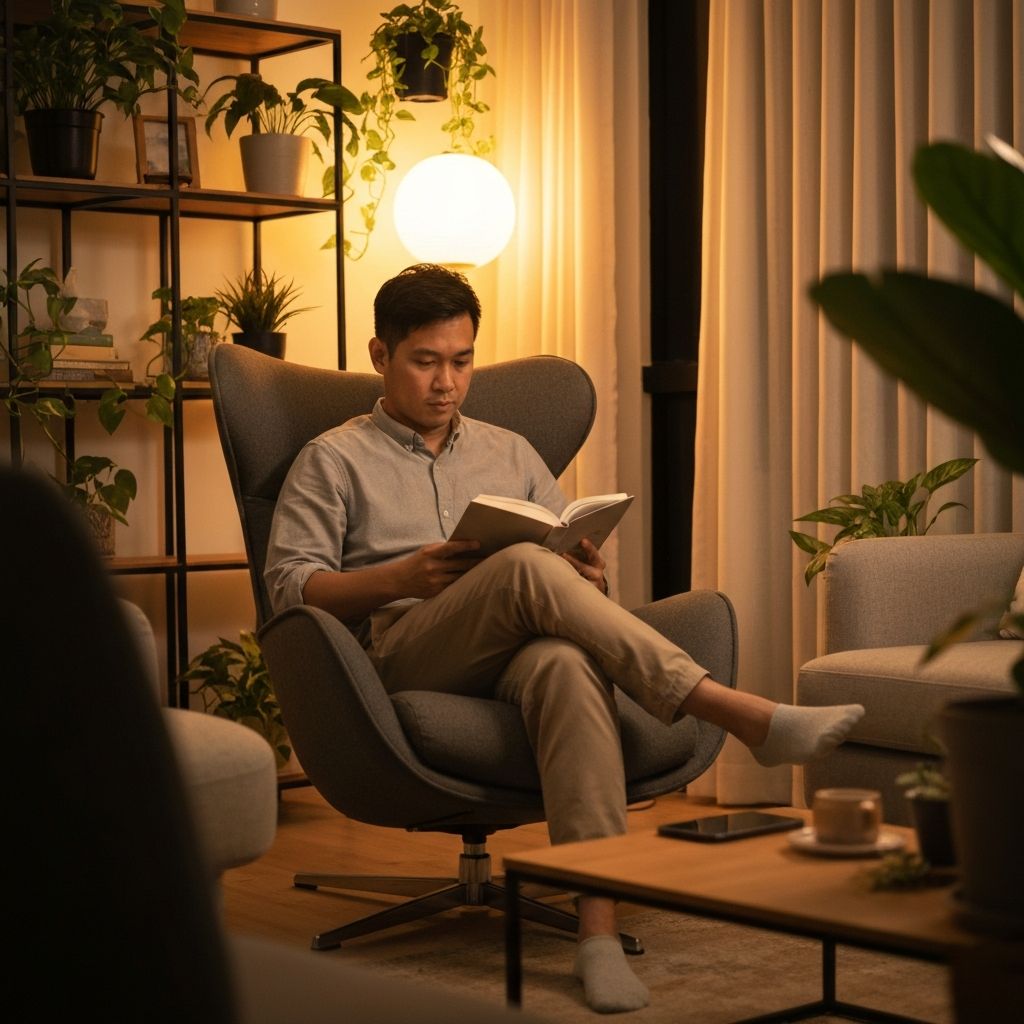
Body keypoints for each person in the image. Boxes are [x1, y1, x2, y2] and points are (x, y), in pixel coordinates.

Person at [264, 264, 864, 1014]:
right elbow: (289, 588)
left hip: (513, 647)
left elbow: (561, 556)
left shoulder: (511, 452)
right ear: (380, 356)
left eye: (462, 361)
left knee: (564, 665)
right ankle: (736, 711)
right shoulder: (333, 458)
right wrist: (400, 577)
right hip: (397, 657)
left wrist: (587, 573)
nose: (447, 383)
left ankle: (596, 935)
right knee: (522, 567)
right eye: (425, 362)